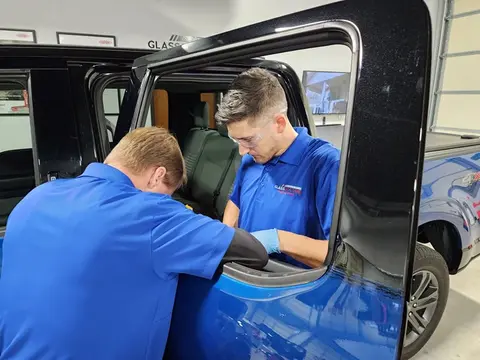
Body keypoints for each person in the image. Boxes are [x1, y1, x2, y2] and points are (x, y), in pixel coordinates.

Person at [0, 127, 269, 360]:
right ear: (156, 175)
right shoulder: (149, 214)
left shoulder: (36, 197)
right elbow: (253, 251)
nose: (167, 202)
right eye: (168, 194)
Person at [217, 67, 341, 269]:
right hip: (248, 280)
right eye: (236, 140)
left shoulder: (326, 166)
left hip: (291, 292)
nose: (242, 151)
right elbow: (236, 201)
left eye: (248, 139)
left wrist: (278, 240)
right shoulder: (252, 158)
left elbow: (344, 257)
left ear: (279, 123)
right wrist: (227, 237)